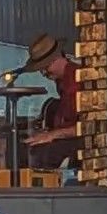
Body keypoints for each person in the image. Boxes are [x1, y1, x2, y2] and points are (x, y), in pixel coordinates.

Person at [24, 33, 79, 173]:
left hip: (80, 142)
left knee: (37, 155)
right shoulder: (61, 81)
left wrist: (52, 135)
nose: (44, 73)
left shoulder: (76, 80)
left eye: (45, 67)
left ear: (55, 59)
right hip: (66, 138)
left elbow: (85, 127)